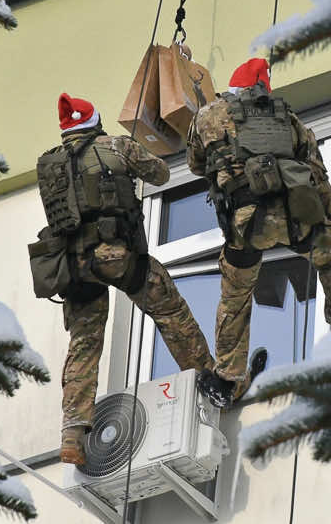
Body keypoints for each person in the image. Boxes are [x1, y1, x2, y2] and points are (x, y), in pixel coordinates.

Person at [33, 93, 215, 465]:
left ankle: (72, 432)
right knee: (168, 309)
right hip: (119, 256)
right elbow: (161, 174)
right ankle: (207, 377)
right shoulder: (115, 145)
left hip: (75, 266)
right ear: (94, 121)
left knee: (85, 343)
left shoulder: (48, 163)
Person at [187, 58, 331, 407]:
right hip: (295, 217)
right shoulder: (289, 119)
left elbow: (195, 164)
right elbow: (317, 174)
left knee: (235, 294)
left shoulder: (207, 117)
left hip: (246, 224)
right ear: (263, 86)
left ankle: (227, 377)